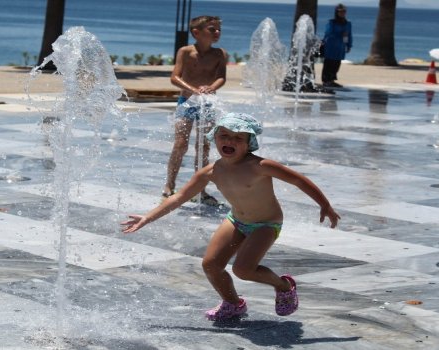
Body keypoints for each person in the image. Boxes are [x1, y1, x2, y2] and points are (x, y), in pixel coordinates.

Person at [122, 112, 341, 321]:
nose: (230, 141)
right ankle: (233, 303)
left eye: (238, 138)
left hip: (266, 224)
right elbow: (179, 197)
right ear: (214, 138)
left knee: (243, 270)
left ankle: (284, 286)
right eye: (224, 136)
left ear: (249, 144)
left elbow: (298, 180)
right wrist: (147, 217)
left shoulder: (260, 166)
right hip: (236, 220)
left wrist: (325, 205)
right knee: (211, 264)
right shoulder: (210, 171)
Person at [163, 15, 228, 206]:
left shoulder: (220, 54)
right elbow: (175, 77)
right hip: (187, 101)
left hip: (207, 103)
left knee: (204, 146)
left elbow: (222, 77)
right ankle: (169, 184)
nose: (217, 33)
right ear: (196, 33)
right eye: (212, 29)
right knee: (180, 144)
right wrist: (193, 89)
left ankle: (200, 188)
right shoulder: (185, 52)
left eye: (218, 30)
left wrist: (212, 87)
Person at [321, 3, 352, 88]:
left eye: (344, 11)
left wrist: (349, 46)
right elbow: (328, 33)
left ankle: (332, 80)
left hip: (341, 47)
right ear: (337, 12)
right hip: (331, 46)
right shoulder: (331, 22)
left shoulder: (348, 23)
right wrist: (340, 34)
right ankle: (326, 80)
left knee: (337, 64)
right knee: (328, 63)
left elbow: (349, 35)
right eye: (340, 11)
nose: (342, 13)